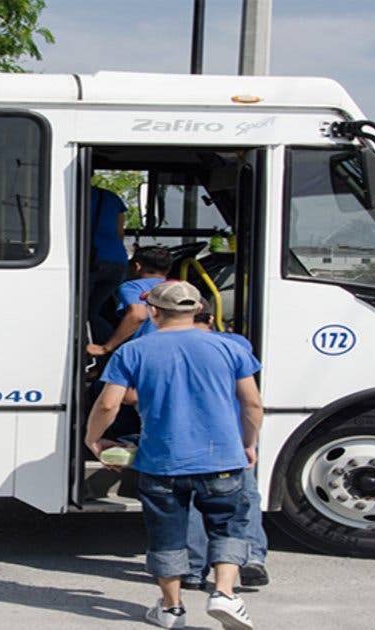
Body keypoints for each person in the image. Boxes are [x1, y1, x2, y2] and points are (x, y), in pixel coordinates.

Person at [85, 281, 263, 630]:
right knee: (227, 525)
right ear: (198, 309)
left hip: (161, 461)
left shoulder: (133, 351)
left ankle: (172, 608)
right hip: (223, 460)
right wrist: (248, 442)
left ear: (153, 311)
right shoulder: (230, 348)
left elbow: (108, 403)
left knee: (166, 533)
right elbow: (252, 404)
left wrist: (95, 439)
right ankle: (224, 593)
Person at [185, 300, 270, 591]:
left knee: (194, 506)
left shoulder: (159, 344)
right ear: (210, 317)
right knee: (244, 500)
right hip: (231, 438)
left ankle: (194, 570)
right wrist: (251, 442)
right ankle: (251, 558)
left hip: (187, 440)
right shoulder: (235, 343)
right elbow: (251, 401)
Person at [86, 245, 171, 356]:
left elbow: (138, 315)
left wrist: (106, 348)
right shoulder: (178, 288)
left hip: (146, 351)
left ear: (137, 267)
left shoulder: (133, 287)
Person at [87, 186, 129, 341]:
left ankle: (110, 346)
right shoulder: (111, 197)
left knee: (85, 313)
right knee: (94, 311)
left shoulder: (72, 194)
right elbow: (120, 232)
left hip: (92, 261)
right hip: (117, 261)